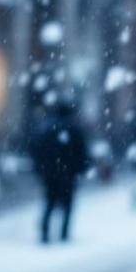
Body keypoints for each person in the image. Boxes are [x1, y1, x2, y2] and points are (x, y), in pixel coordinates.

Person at [29, 100, 90, 244]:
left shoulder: (46, 129)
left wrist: (41, 169)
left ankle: (45, 232)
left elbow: (36, 150)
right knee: (67, 204)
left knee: (49, 201)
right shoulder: (73, 129)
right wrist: (80, 169)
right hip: (68, 174)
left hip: (50, 173)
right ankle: (64, 233)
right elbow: (81, 152)